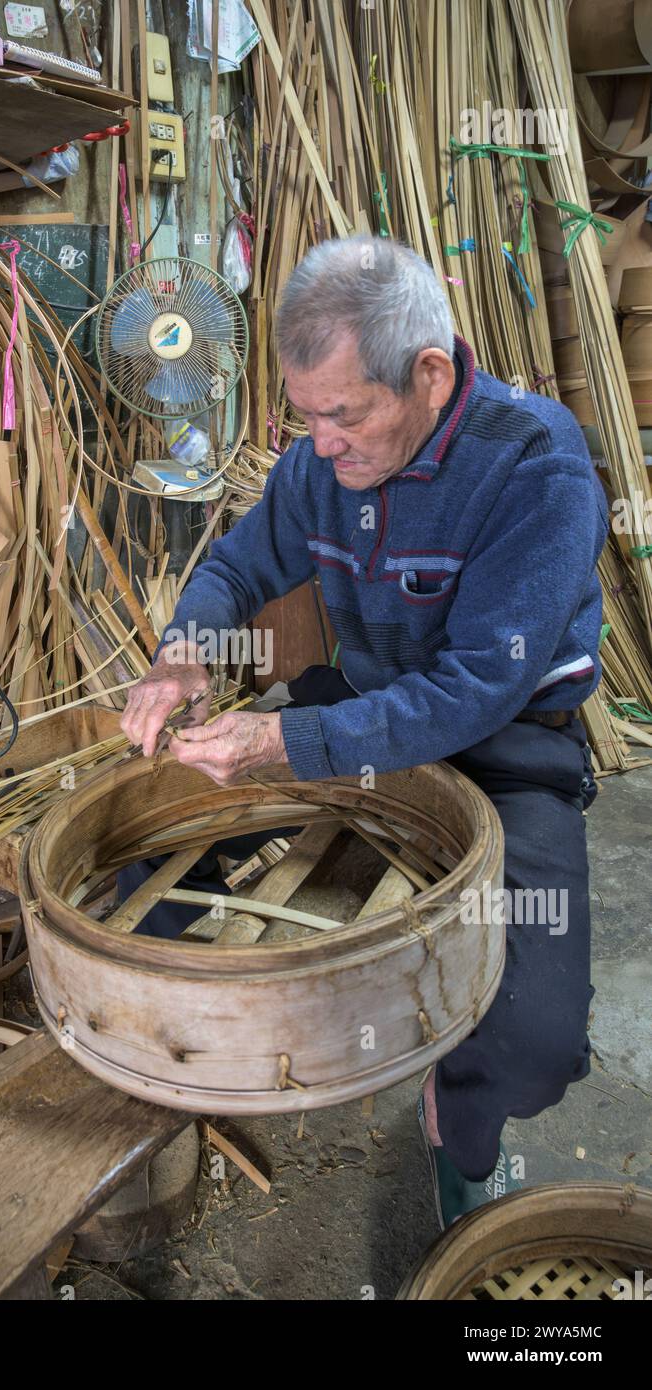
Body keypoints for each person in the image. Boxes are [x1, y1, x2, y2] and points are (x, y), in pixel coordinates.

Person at [119, 233, 608, 1226]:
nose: (318, 444)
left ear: (427, 375)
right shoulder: (316, 466)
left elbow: (472, 692)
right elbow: (233, 568)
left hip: (506, 745)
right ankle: (168, 1065)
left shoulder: (533, 468)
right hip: (361, 707)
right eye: (304, 416)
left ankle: (458, 1132)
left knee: (536, 1041)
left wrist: (282, 744)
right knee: (146, 864)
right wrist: (184, 650)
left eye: (342, 415)